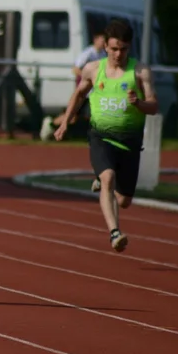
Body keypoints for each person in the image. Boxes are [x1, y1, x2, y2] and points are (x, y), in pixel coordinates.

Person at [52, 18, 158, 252]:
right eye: (113, 49)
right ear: (105, 47)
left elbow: (154, 106)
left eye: (123, 49)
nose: (118, 54)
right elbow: (79, 95)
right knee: (109, 177)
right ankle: (115, 232)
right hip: (101, 137)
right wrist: (66, 122)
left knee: (124, 201)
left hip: (130, 142)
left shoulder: (140, 71)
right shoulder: (93, 69)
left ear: (129, 48)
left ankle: (101, 180)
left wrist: (139, 103)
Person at [73, 30, 107, 190]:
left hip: (98, 96)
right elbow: (76, 69)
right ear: (95, 39)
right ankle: (51, 124)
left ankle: (101, 174)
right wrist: (89, 77)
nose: (103, 42)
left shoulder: (105, 56)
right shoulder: (88, 54)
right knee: (73, 117)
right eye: (102, 39)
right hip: (86, 93)